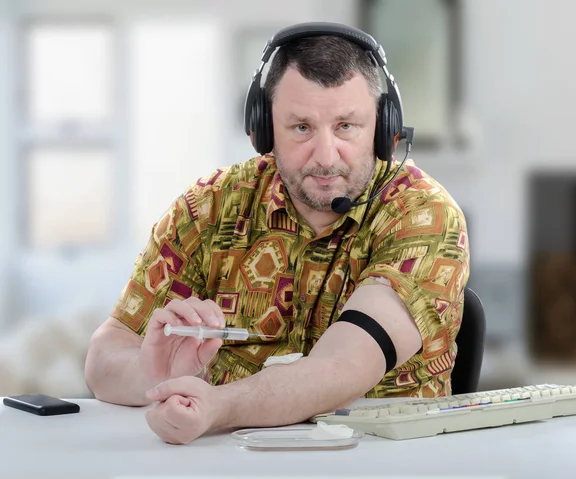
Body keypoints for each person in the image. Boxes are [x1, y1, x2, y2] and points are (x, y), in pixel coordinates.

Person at [85, 22, 470, 445]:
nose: (325, 157)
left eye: (346, 126)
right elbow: (104, 356)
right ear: (263, 129)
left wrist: (218, 407)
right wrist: (156, 372)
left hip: (380, 464)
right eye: (301, 128)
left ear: (383, 128)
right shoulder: (210, 206)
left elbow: (343, 366)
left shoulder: (424, 214)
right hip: (224, 464)